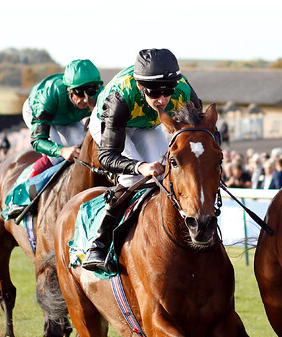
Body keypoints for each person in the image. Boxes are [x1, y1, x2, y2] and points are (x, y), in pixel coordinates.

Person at [82, 48, 201, 272]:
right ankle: (98, 243)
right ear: (139, 86)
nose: (163, 100)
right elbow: (107, 157)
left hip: (147, 126)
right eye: (155, 94)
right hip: (111, 126)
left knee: (167, 171)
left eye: (168, 92)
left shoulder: (184, 90)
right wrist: (140, 166)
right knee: (134, 177)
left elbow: (200, 132)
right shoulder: (119, 97)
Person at [22, 59, 103, 176]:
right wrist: (62, 151)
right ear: (69, 88)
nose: (85, 99)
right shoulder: (49, 96)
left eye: (91, 92)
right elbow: (38, 141)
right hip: (37, 111)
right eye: (80, 92)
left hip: (69, 117)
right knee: (56, 157)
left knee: (82, 150)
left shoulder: (100, 94)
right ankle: (27, 185)